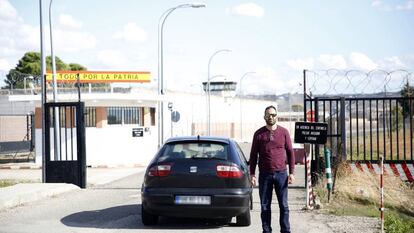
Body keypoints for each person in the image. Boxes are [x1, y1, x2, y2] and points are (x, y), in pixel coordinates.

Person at [249, 105, 295, 233]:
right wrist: (252, 174)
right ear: (264, 117)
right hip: (265, 175)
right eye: (268, 115)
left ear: (277, 116)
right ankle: (266, 230)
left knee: (284, 206)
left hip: (281, 174)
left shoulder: (284, 132)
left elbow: (290, 152)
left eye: (273, 115)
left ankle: (285, 230)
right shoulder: (259, 134)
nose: (271, 117)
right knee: (265, 207)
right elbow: (253, 155)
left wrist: (291, 172)